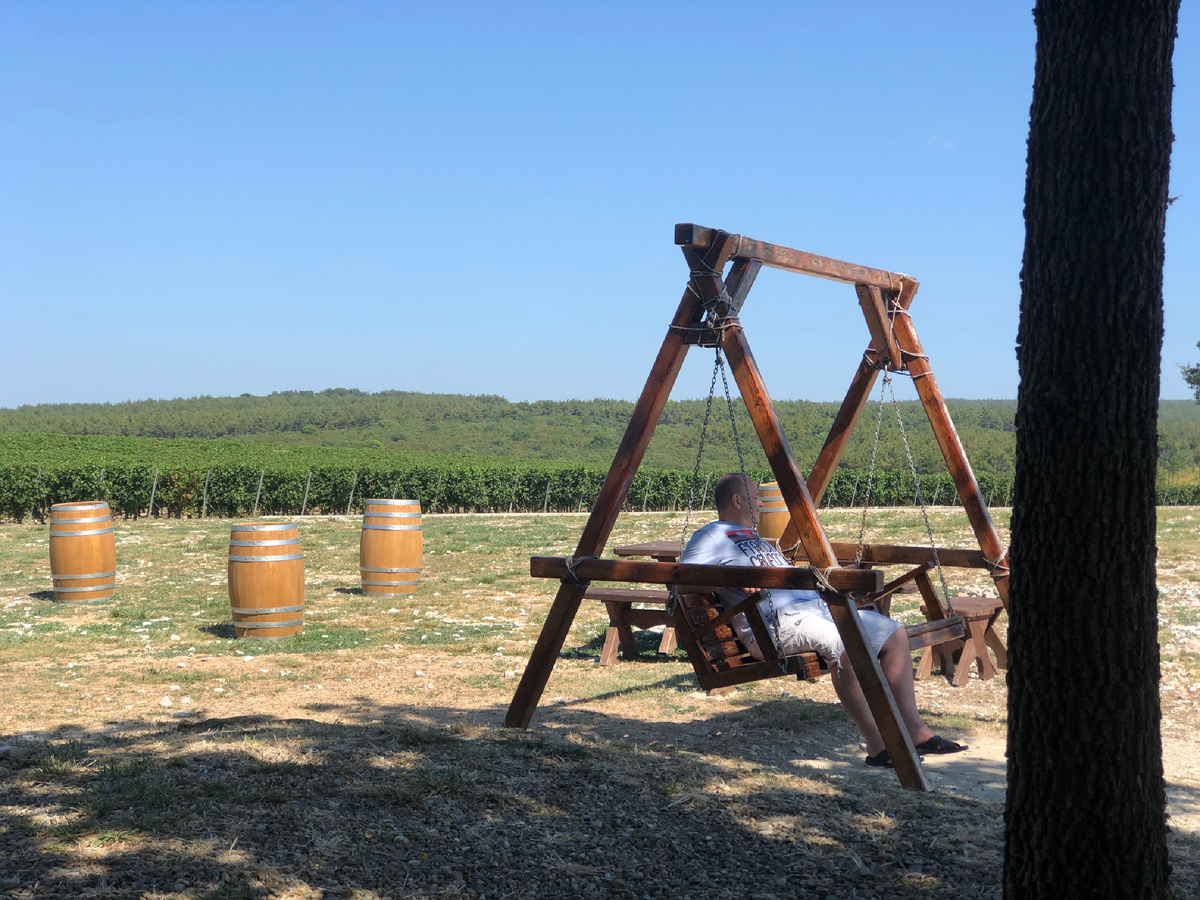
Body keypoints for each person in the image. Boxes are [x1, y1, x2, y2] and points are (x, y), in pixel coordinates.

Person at [680, 473, 967, 767]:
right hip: (775, 625)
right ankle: (878, 746)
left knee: (895, 634)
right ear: (737, 500)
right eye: (756, 496)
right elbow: (681, 580)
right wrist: (733, 579)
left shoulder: (753, 537)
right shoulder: (711, 535)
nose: (761, 502)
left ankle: (915, 730)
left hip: (816, 611)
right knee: (846, 645)